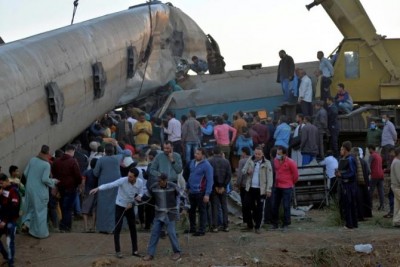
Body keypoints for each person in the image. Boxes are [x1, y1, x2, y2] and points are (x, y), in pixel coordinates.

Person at [90, 167, 144, 258]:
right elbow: (110, 185)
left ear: (136, 177)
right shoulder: (123, 180)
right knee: (117, 228)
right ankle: (118, 251)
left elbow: (141, 192)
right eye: (128, 175)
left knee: (133, 228)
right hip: (120, 205)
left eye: (131, 177)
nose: (128, 178)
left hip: (130, 206)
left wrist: (138, 197)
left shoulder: (140, 182)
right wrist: (98, 188)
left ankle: (135, 250)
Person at [142, 174, 183, 261]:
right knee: (154, 233)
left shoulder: (173, 186)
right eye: (158, 180)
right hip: (159, 213)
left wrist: (185, 208)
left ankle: (177, 252)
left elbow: (183, 195)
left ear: (165, 180)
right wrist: (139, 198)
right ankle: (150, 254)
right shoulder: (154, 186)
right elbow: (146, 196)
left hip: (170, 213)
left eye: (160, 181)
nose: (158, 182)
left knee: (171, 233)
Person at [22, 145, 58, 239]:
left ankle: (28, 226)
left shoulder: (32, 159)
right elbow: (45, 179)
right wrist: (53, 182)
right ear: (48, 153)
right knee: (40, 212)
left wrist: (32, 180)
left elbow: (25, 173)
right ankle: (41, 233)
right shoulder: (46, 164)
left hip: (29, 189)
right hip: (40, 191)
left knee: (30, 208)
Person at [241, 146, 273, 233]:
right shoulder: (250, 160)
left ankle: (258, 227)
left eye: (259, 154)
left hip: (261, 189)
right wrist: (247, 171)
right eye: (256, 154)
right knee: (246, 206)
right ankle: (250, 224)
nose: (257, 155)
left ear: (262, 154)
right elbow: (243, 170)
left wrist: (269, 189)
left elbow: (270, 177)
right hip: (250, 188)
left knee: (260, 208)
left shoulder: (267, 163)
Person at [52, 144, 83, 232]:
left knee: (62, 206)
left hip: (60, 187)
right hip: (71, 187)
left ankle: (62, 226)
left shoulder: (56, 161)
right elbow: (78, 175)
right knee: (68, 208)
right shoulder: (73, 161)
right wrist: (78, 184)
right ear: (72, 151)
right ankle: (66, 226)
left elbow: (54, 174)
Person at [184, 148, 213, 236]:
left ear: (203, 155)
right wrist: (187, 186)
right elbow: (190, 176)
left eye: (198, 154)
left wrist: (207, 194)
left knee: (202, 211)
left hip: (201, 192)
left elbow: (210, 180)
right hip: (192, 191)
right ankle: (192, 228)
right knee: (191, 210)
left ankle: (201, 230)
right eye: (195, 153)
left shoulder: (207, 166)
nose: (195, 155)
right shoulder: (192, 163)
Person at [93, 143, 121, 233]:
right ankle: (113, 227)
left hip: (103, 184)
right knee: (114, 205)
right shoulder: (117, 159)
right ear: (113, 151)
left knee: (102, 205)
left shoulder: (101, 160)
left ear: (105, 151)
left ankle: (103, 227)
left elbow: (95, 173)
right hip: (116, 184)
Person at [271, 146, 298, 232]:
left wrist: (291, 182)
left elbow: (296, 175)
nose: (277, 155)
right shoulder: (275, 161)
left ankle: (286, 224)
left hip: (287, 187)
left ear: (284, 154)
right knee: (275, 205)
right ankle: (275, 223)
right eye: (277, 154)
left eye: (279, 154)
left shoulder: (291, 162)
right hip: (277, 185)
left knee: (286, 206)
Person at [208, 146, 232, 232]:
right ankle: (226, 226)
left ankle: (215, 226)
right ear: (221, 152)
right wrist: (223, 186)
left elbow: (209, 176)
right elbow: (229, 175)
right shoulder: (226, 162)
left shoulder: (209, 161)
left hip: (214, 187)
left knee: (214, 206)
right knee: (224, 206)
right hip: (223, 188)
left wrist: (215, 186)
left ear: (213, 152)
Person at [336, 141, 358, 229]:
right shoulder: (346, 159)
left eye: (341, 149)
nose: (340, 151)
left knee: (349, 205)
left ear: (345, 149)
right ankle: (353, 223)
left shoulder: (350, 159)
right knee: (350, 204)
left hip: (349, 185)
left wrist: (342, 175)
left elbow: (352, 172)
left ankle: (350, 224)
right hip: (347, 184)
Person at [0, 173, 20, 267]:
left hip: (10, 221)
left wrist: (5, 220)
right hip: (3, 219)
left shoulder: (13, 191)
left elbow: (13, 208)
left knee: (9, 242)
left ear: (7, 181)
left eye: (2, 183)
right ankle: (6, 256)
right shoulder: (3, 190)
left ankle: (11, 263)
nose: (1, 185)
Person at [350, 147, 372, 221]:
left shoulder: (352, 161)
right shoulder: (363, 161)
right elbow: (368, 172)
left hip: (356, 183)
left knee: (357, 200)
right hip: (363, 183)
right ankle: (363, 215)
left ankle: (359, 216)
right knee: (362, 200)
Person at [81, 158, 99, 233]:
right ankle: (93, 227)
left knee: (85, 210)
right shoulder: (98, 173)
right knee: (94, 210)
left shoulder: (86, 172)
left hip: (88, 192)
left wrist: (82, 191)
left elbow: (83, 183)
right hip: (97, 192)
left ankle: (86, 227)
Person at [236, 147, 251, 225]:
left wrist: (238, 183)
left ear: (244, 153)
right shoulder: (253, 160)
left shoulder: (242, 161)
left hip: (243, 185)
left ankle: (245, 220)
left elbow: (240, 174)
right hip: (252, 185)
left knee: (244, 203)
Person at [368, 145, 384, 211]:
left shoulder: (372, 155)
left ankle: (369, 206)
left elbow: (368, 165)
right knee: (381, 191)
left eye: (369, 149)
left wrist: (368, 173)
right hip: (381, 174)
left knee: (370, 191)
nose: (368, 151)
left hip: (374, 175)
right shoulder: (379, 156)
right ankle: (382, 205)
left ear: (371, 149)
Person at [390, 147, 400, 227]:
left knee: (397, 205)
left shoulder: (395, 161)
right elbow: (399, 176)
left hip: (395, 186)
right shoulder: (397, 162)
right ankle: (397, 220)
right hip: (397, 186)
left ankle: (396, 221)